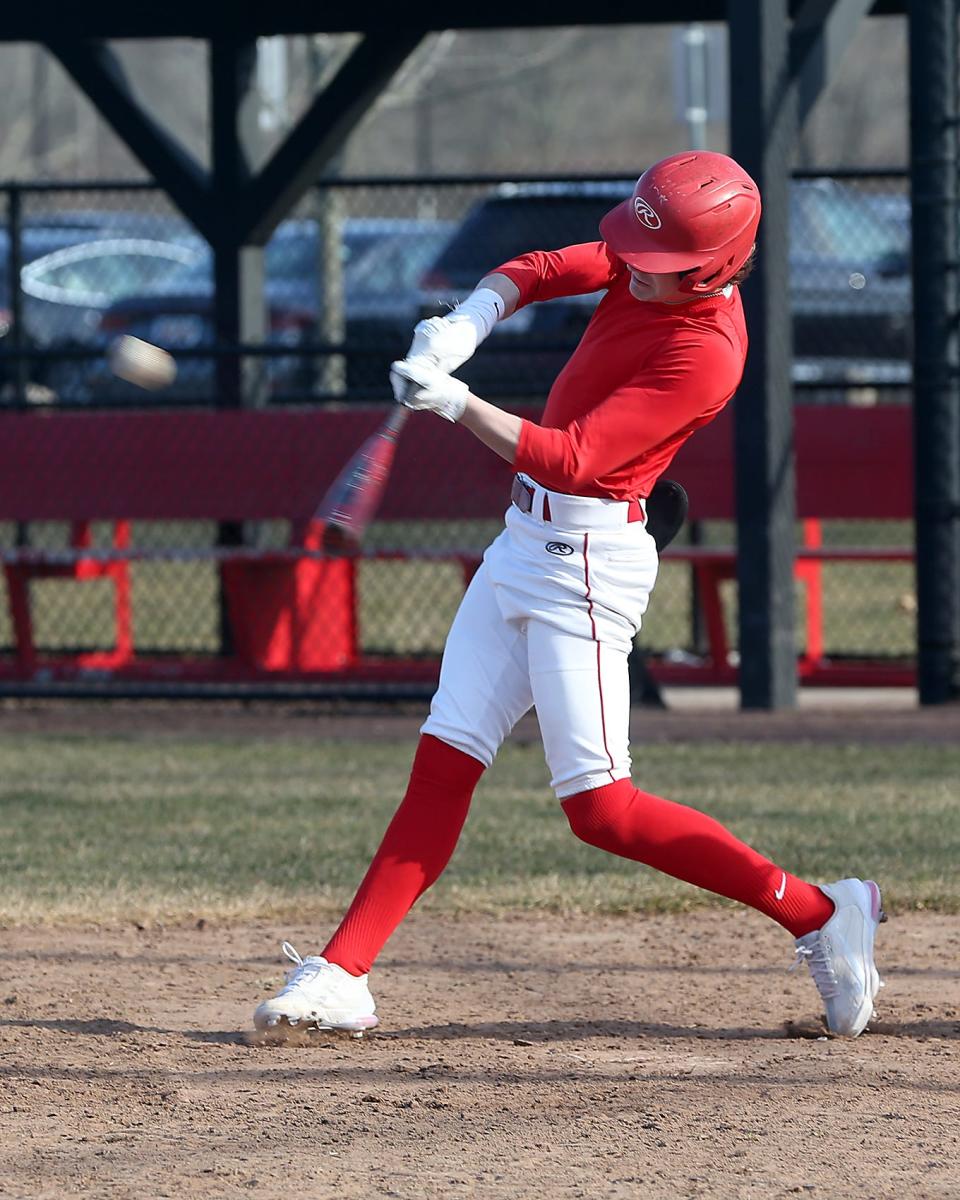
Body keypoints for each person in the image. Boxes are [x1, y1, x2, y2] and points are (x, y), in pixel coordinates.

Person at [254, 151, 884, 1040]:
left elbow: (576, 457)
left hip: (585, 562)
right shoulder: (648, 262)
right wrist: (464, 324)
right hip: (521, 544)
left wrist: (457, 403)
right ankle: (343, 972)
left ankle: (820, 913)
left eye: (658, 267)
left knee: (602, 810)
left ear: (714, 270)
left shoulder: (708, 352)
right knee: (445, 759)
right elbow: (541, 270)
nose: (633, 269)